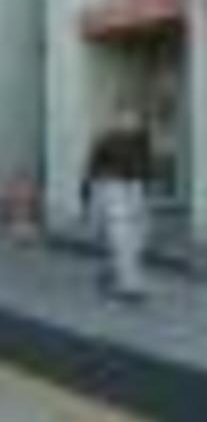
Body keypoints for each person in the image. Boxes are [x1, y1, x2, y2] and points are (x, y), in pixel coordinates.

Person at [82, 104, 152, 302]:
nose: (131, 122)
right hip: (111, 187)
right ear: (118, 119)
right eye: (128, 118)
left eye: (135, 118)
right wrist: (90, 195)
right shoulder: (106, 139)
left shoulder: (141, 139)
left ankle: (115, 270)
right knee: (119, 234)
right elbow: (92, 168)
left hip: (132, 187)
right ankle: (129, 283)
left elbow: (145, 164)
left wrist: (143, 184)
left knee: (136, 233)